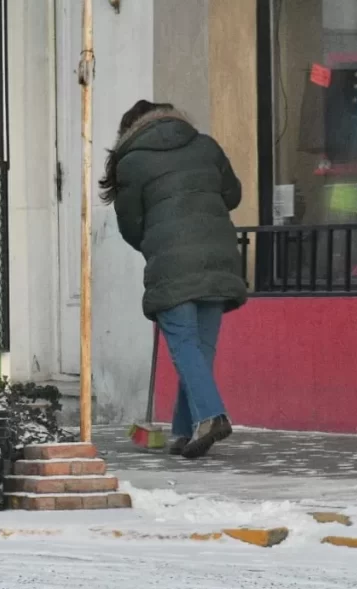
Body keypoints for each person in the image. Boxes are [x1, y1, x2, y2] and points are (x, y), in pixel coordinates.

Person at [99, 100, 247, 459]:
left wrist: (158, 244)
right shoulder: (206, 146)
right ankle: (184, 431)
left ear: (129, 131)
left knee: (184, 347)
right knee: (199, 351)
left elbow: (131, 227)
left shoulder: (131, 162)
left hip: (172, 263)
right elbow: (233, 195)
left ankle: (211, 416)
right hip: (219, 257)